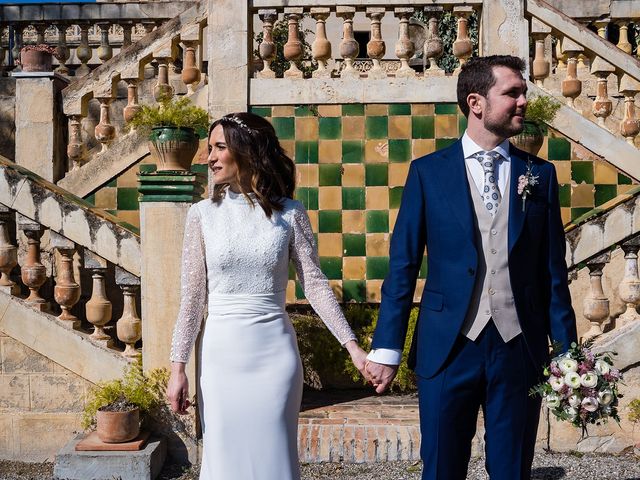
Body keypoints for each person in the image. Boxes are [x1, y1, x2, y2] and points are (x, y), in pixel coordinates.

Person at [365, 55, 577, 479]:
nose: (523, 102)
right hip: (448, 346)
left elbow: (552, 272)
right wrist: (386, 347)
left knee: (513, 469)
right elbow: (403, 265)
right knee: (442, 467)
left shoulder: (541, 174)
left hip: (520, 346)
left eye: (524, 93)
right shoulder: (427, 173)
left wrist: (569, 354)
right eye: (512, 93)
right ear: (476, 102)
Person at [167, 112, 369, 480]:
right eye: (209, 148)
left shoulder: (290, 214)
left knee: (273, 457)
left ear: (246, 152)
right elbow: (193, 297)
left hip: (274, 356)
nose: (208, 157)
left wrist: (352, 346)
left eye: (219, 147)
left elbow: (316, 284)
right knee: (225, 455)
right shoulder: (201, 215)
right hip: (222, 355)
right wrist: (177, 368)